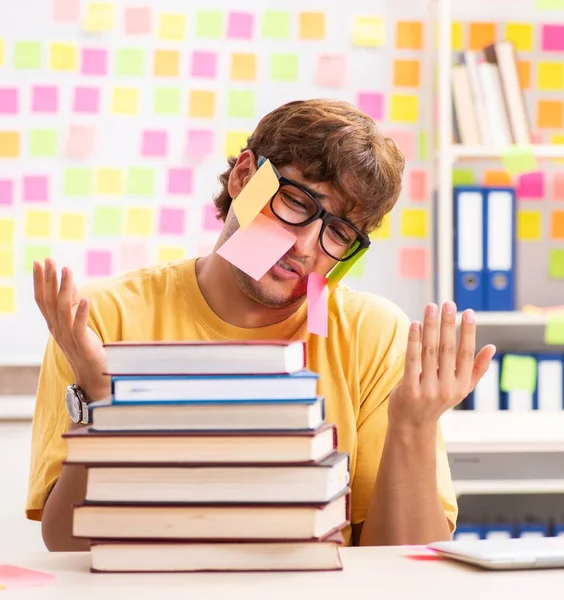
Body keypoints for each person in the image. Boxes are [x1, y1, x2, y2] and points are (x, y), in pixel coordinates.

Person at [26, 98, 496, 552]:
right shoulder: (102, 318)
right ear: (244, 176)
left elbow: (404, 567)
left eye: (337, 232)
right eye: (296, 202)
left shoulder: (372, 334)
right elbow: (68, 545)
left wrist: (413, 427)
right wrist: (103, 402)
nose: (305, 248)